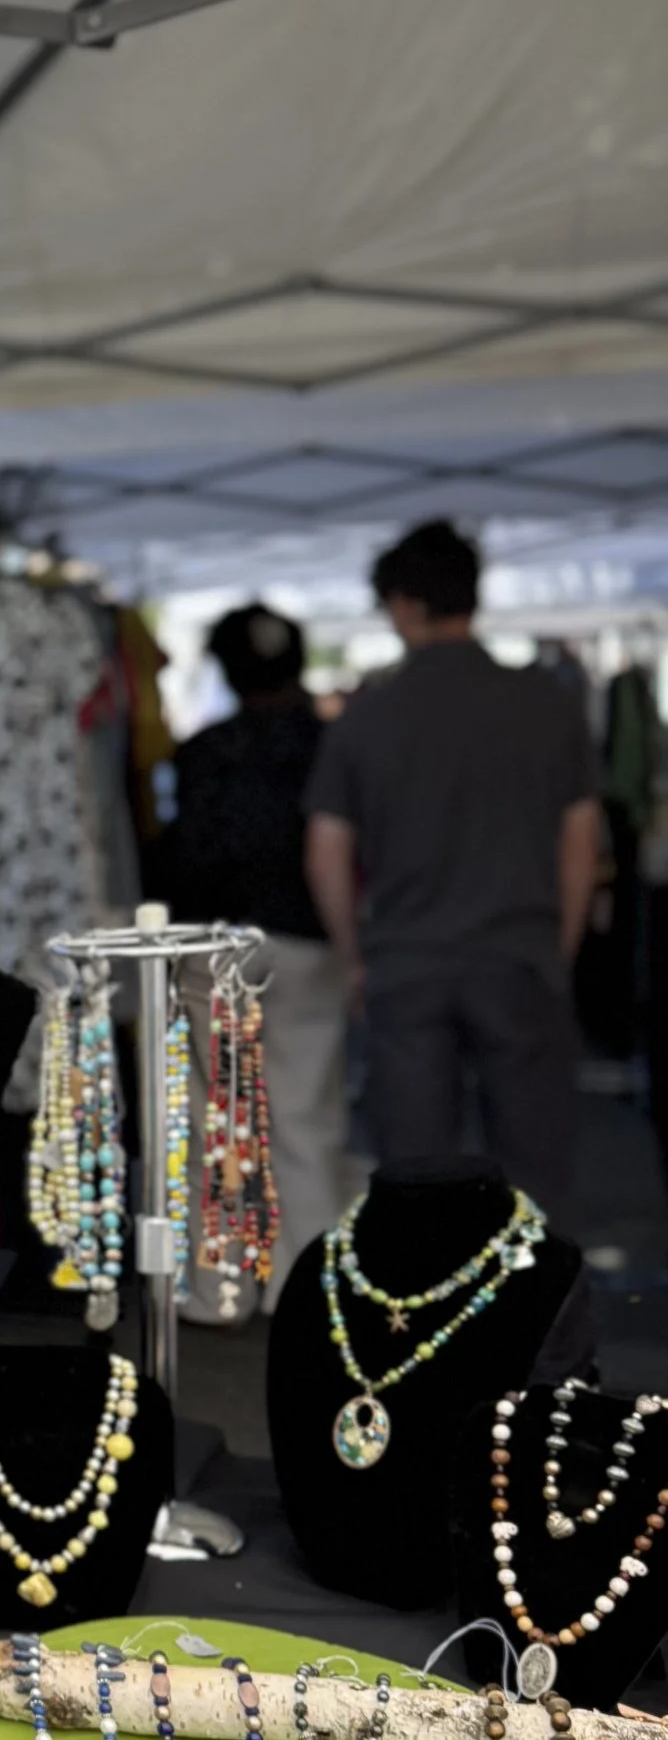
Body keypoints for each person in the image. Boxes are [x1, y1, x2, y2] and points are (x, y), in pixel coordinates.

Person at [305, 518, 600, 1226]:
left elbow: (326, 849)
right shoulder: (546, 705)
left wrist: (352, 958)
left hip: (407, 963)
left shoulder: (368, 715)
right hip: (520, 953)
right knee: (533, 1176)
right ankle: (536, 1327)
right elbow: (581, 840)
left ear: (405, 603)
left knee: (416, 1180)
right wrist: (557, 945)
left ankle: (428, 1329)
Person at [163, 604, 353, 1302]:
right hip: (306, 943)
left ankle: (217, 1286)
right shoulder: (329, 744)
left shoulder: (202, 751)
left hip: (211, 946)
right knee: (304, 1118)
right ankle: (305, 1294)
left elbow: (183, 852)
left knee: (217, 1118)